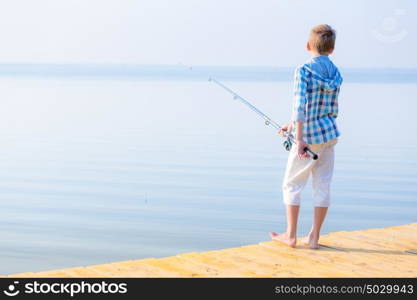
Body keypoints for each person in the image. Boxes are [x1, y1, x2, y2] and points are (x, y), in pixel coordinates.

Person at [270, 24, 343, 249]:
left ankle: (290, 236)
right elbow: (325, 107)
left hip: (308, 138)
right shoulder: (336, 73)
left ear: (308, 45)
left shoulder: (303, 70)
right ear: (332, 49)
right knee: (322, 186)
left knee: (292, 185)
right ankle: (314, 238)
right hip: (329, 135)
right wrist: (291, 125)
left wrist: (299, 138)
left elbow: (300, 105)